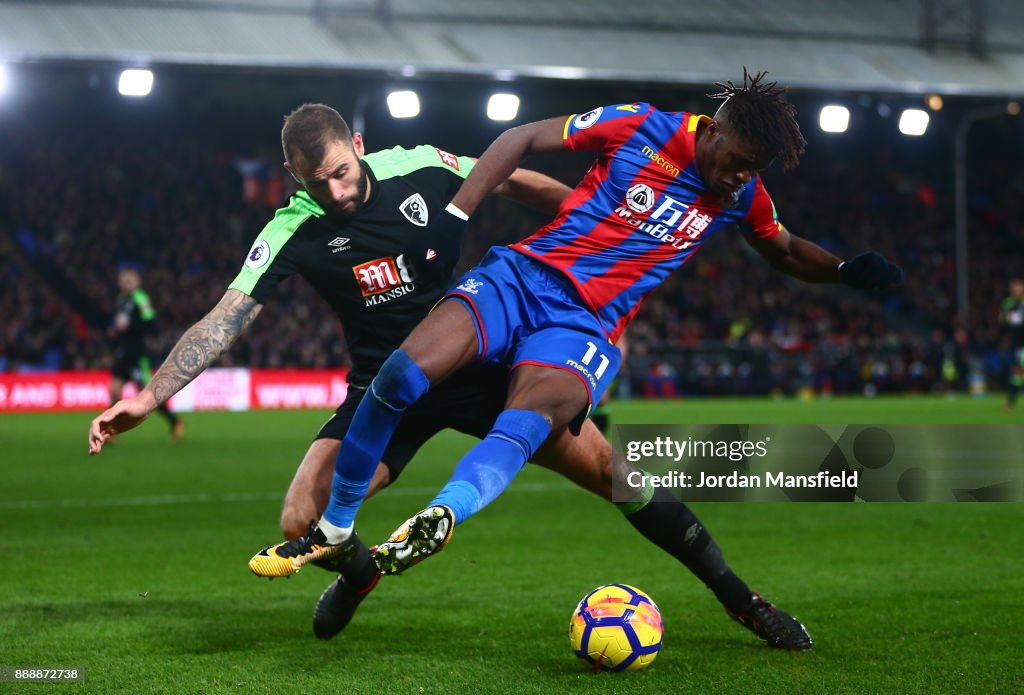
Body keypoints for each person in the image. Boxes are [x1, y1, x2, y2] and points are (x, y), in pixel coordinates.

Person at [90, 103, 812, 650]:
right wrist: (150, 397)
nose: (339, 191)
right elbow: (225, 317)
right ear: (296, 179)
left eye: (343, 170)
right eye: (320, 181)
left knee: (619, 477)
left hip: (480, 355)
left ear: (360, 148)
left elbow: (512, 176)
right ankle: (360, 570)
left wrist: (598, 227)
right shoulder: (291, 228)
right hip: (383, 385)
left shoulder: (419, 164)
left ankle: (739, 597)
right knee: (298, 522)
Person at [108, 267, 184, 443]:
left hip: (137, 353)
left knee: (147, 395)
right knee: (114, 390)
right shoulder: (120, 300)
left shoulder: (140, 298)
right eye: (122, 280)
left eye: (129, 280)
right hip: (123, 352)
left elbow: (150, 322)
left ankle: (174, 421)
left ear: (137, 283)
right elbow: (120, 324)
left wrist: (131, 326)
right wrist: (114, 331)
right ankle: (111, 431)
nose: (125, 283)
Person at [999, 278, 1024, 411]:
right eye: (1013, 288)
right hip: (1017, 343)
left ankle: (1010, 402)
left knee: (1019, 372)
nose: (1016, 291)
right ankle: (1011, 401)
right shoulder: (1007, 303)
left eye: (1018, 288)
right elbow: (1003, 321)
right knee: (1018, 373)